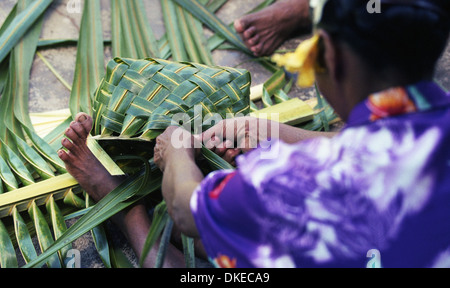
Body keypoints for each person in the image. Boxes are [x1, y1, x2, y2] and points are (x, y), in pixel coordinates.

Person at [59, 0, 450, 268]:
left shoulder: (289, 183)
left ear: (328, 54)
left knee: (199, 250)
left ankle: (114, 199)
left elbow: (185, 210)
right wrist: (268, 130)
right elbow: (376, 148)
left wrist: (177, 153)